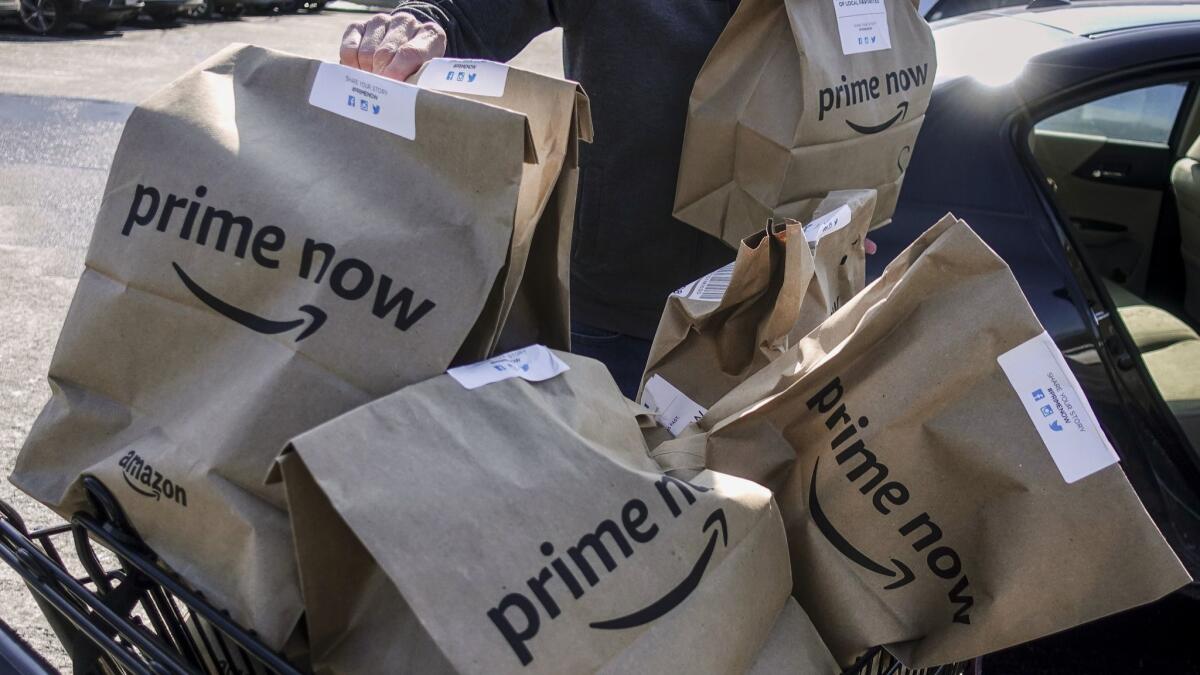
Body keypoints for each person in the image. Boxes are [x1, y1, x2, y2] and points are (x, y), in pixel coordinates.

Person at [339, 1, 875, 397]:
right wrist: (414, 24)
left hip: (779, 310)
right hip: (613, 317)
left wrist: (858, 198)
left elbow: (872, 97)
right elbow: (464, 19)